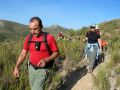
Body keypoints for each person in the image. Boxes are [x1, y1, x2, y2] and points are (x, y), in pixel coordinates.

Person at [13, 17, 59, 90]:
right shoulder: (29, 38)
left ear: (41, 27)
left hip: (43, 70)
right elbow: (23, 54)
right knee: (32, 87)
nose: (33, 32)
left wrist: (46, 60)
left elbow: (56, 53)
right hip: (31, 68)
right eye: (30, 29)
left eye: (35, 29)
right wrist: (16, 67)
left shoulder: (49, 37)